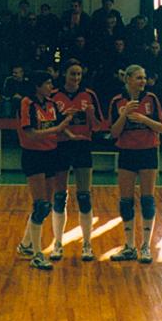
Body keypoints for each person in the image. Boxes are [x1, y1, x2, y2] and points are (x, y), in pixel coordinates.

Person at [15, 71, 73, 270]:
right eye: (47, 83)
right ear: (37, 86)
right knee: (39, 205)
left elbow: (60, 125)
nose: (51, 86)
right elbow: (30, 134)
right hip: (33, 155)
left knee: (46, 206)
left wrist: (71, 134)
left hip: (51, 154)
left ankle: (25, 245)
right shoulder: (27, 104)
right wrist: (56, 130)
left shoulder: (51, 104)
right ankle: (37, 254)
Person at [108, 65, 162, 263]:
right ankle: (130, 246)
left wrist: (143, 119)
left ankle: (146, 246)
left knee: (147, 199)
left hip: (148, 152)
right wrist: (124, 114)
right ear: (128, 79)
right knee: (126, 201)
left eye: (144, 77)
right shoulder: (117, 101)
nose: (143, 81)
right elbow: (113, 133)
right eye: (138, 78)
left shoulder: (151, 99)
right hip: (127, 153)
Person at [49, 63, 104, 261]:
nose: (76, 77)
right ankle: (57, 243)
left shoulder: (89, 95)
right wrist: (66, 125)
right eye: (73, 73)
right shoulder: (54, 96)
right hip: (61, 147)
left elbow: (98, 126)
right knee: (59, 196)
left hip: (82, 146)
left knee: (84, 196)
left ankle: (87, 244)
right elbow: (51, 123)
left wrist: (90, 115)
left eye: (79, 74)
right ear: (65, 74)